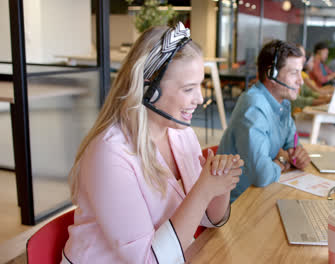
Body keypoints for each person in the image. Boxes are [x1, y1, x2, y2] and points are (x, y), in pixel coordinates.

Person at [62, 22, 243, 263]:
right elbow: (148, 260)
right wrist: (203, 190)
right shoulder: (110, 154)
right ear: (149, 89)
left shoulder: (179, 132)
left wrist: (219, 185)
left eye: (200, 85)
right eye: (188, 89)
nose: (199, 98)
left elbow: (208, 219)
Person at [217, 40, 311, 203]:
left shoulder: (282, 103)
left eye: (300, 73)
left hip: (261, 193)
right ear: (271, 74)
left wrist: (298, 155)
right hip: (237, 204)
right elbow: (262, 174)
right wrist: (283, 160)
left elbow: (293, 145)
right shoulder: (253, 107)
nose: (300, 81)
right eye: (294, 73)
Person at [292, 44, 333, 112]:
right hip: (297, 115)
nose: (305, 59)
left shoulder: (301, 75)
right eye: (302, 56)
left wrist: (328, 97)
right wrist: (327, 99)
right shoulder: (302, 76)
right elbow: (299, 100)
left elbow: (310, 93)